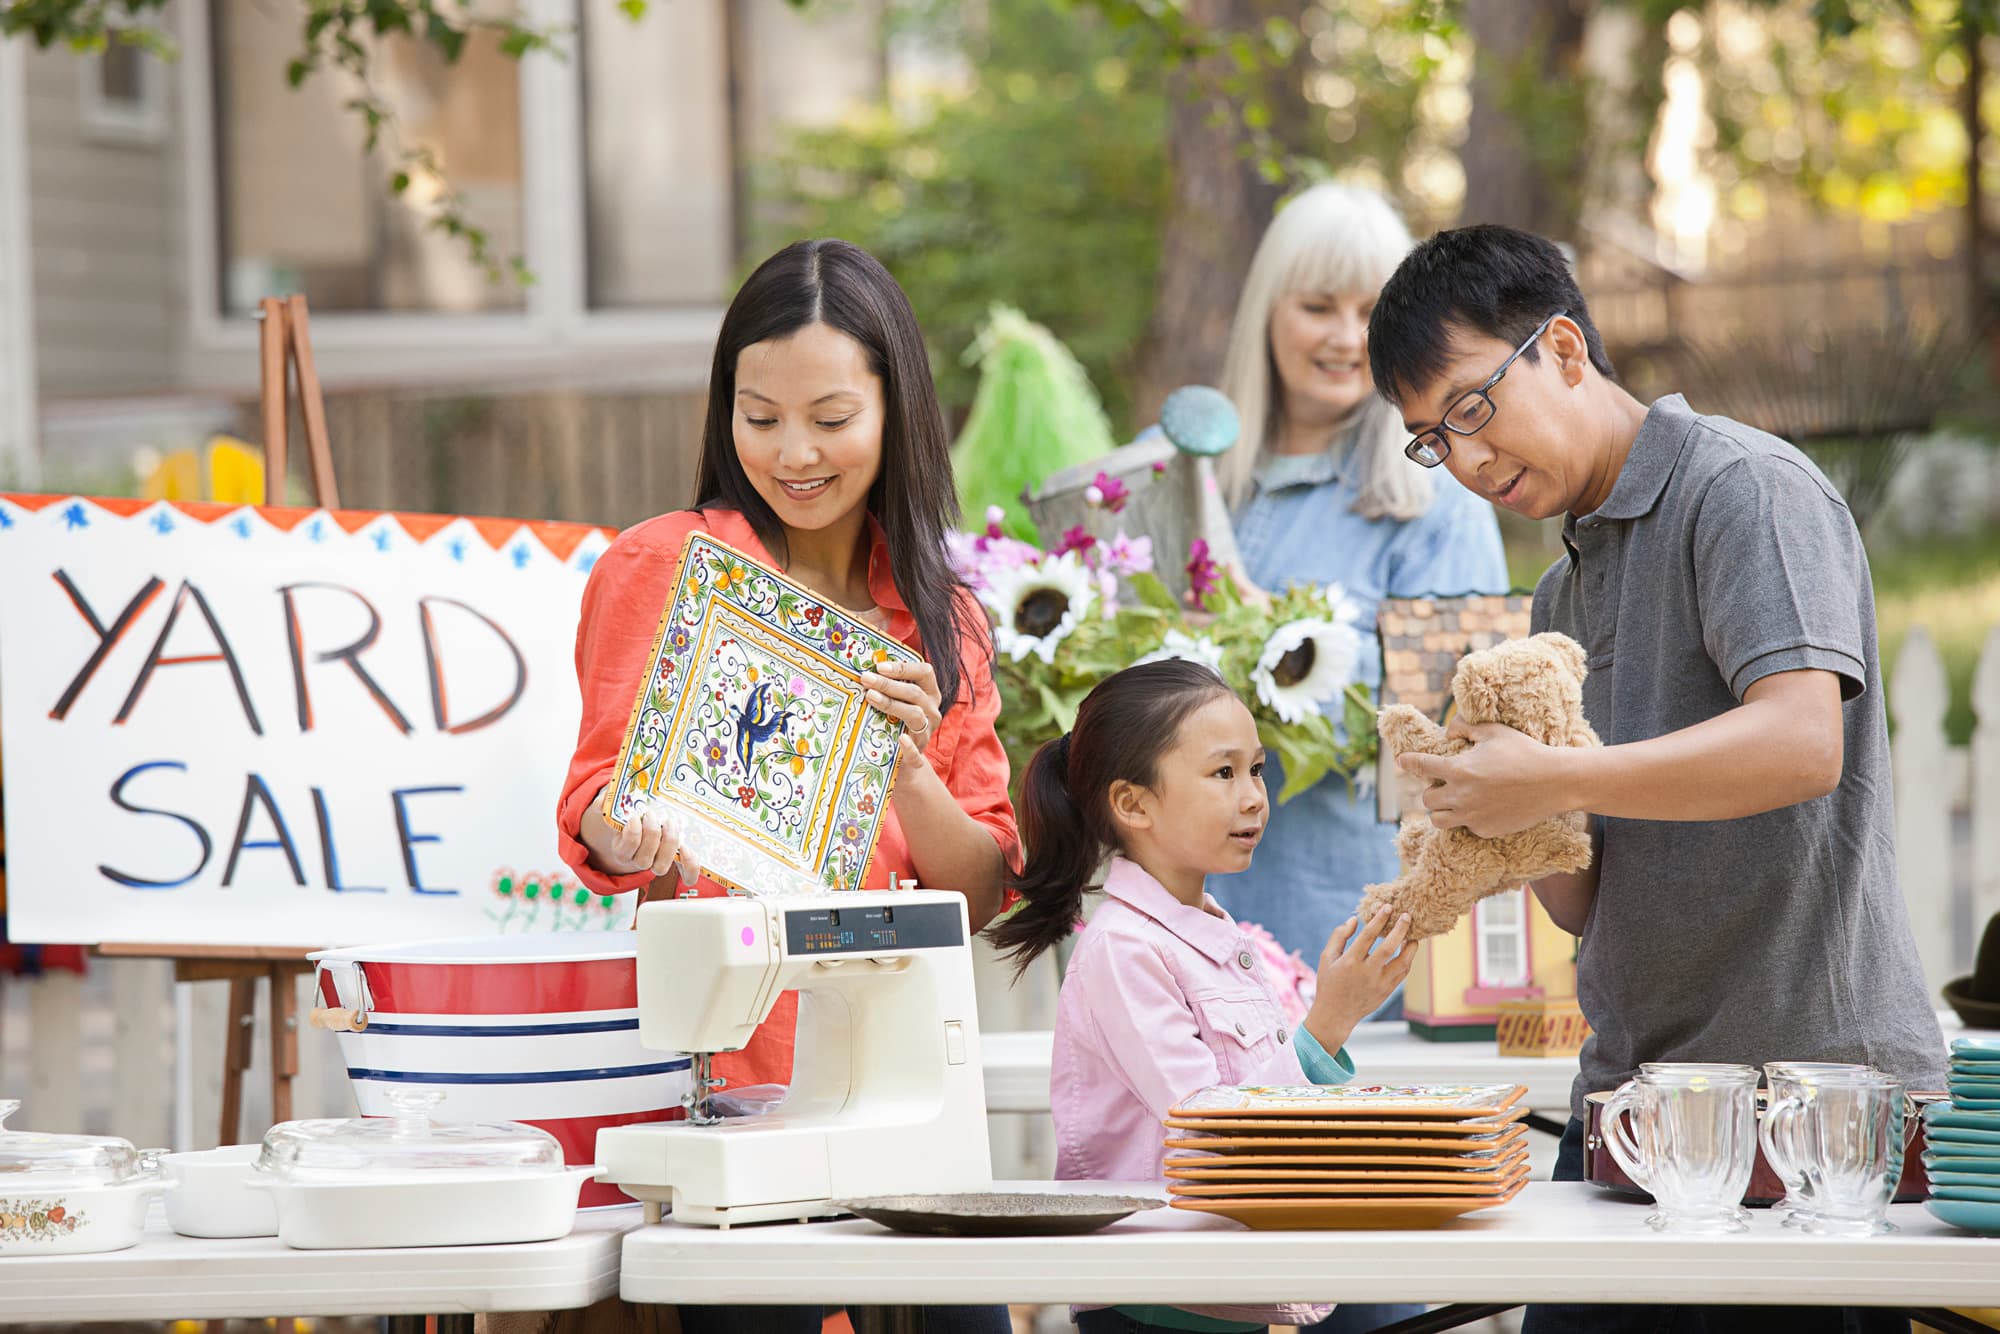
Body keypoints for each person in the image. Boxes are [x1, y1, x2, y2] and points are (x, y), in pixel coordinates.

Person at [1367, 224, 1947, 1334]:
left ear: (1566, 349)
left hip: (1806, 1121)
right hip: (1637, 1119)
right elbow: (1588, 889)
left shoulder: (1742, 490)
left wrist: (1549, 775)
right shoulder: (1555, 599)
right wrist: (1493, 819)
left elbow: (1797, 745)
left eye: (1472, 405)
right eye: (1433, 439)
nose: (1468, 459)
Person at [556, 238, 1019, 1334]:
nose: (793, 451)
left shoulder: (944, 620)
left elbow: (983, 890)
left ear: (894, 411)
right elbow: (593, 801)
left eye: (829, 416)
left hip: (903, 1091)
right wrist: (630, 829)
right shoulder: (661, 565)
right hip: (731, 1081)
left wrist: (905, 772)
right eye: (758, 417)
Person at [989, 659, 1415, 1334]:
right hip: (1158, 1301)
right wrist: (1329, 1023)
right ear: (1133, 804)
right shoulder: (1125, 951)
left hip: (1217, 1282)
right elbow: (1215, 1131)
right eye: (1224, 773)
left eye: (1257, 770)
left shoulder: (1212, 935)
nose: (1253, 797)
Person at [1200, 182, 1508, 1022]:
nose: (1345, 337)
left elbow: (1465, 741)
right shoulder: (1193, 482)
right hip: (1179, 939)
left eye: (1369, 311)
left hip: (1353, 942)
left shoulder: (1439, 496)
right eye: (1316, 306)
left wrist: (1276, 653)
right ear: (1269, 310)